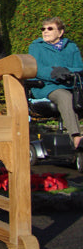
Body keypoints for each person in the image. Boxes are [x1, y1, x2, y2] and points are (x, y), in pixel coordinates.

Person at [28, 17, 83, 150]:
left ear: (60, 32)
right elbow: (36, 68)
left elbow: (79, 67)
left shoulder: (71, 47)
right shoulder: (36, 46)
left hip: (69, 84)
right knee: (64, 96)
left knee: (71, 94)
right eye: (43, 29)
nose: (45, 31)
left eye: (50, 28)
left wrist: (66, 71)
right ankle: (76, 137)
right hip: (47, 86)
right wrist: (54, 73)